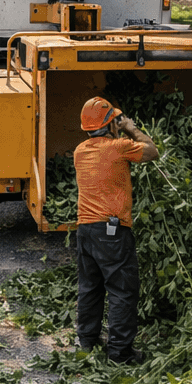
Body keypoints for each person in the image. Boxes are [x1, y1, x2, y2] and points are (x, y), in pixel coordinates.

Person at [74, 97, 158, 363]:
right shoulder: (119, 147)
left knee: (90, 287)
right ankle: (120, 353)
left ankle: (87, 342)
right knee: (122, 290)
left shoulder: (80, 151)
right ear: (110, 124)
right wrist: (131, 128)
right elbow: (152, 151)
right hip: (111, 230)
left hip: (85, 231)